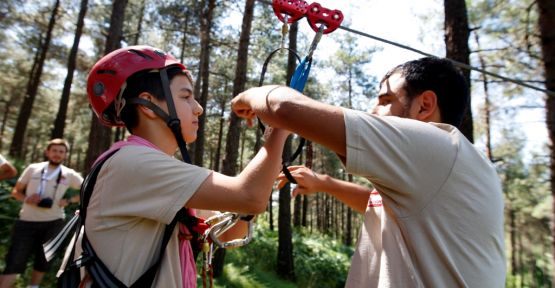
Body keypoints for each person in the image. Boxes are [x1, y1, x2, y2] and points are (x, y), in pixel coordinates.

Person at [232, 56, 506, 287]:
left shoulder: (438, 146)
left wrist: (249, 96)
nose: (373, 111)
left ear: (425, 105)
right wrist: (326, 183)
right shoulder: (441, 166)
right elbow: (381, 207)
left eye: (385, 100)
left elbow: (285, 108)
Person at [70, 45, 289, 287]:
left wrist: (260, 181)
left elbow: (229, 232)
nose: (199, 108)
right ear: (147, 104)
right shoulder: (132, 162)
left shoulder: (158, 171)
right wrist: (280, 121)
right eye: (186, 97)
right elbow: (250, 197)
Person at [0, 139, 83, 288]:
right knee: (14, 260)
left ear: (65, 155)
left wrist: (69, 200)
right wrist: (27, 198)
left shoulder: (69, 174)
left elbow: (87, 189)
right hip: (26, 221)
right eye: (54, 150)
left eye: (61, 152)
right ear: (47, 152)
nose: (57, 154)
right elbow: (15, 191)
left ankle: (33, 286)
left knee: (43, 261)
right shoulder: (33, 168)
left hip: (54, 222)